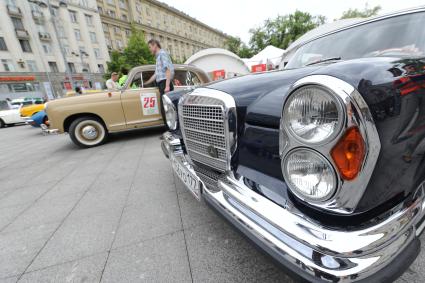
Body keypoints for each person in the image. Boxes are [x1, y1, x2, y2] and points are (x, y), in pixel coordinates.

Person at [145, 39, 175, 121]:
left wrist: (167, 86)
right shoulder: (158, 57)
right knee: (165, 109)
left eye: (150, 47)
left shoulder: (162, 54)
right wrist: (146, 83)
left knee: (167, 109)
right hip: (162, 84)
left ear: (155, 45)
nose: (149, 49)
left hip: (165, 83)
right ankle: (169, 130)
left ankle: (170, 131)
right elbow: (156, 74)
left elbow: (167, 69)